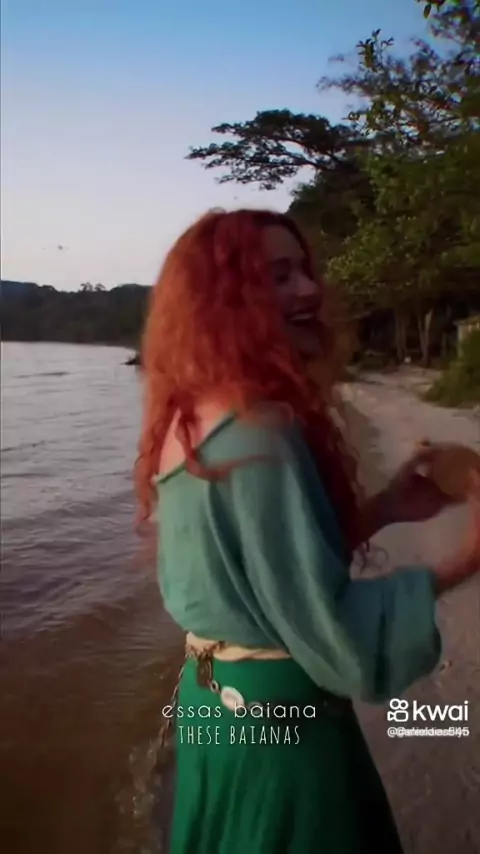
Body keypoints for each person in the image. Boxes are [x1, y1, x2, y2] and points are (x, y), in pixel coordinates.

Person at [134, 209, 480, 854]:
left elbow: (263, 574)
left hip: (213, 702)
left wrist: (382, 510)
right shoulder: (258, 434)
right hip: (278, 723)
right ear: (225, 299)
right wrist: (466, 557)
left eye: (302, 271)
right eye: (277, 276)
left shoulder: (190, 419)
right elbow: (335, 632)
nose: (309, 290)